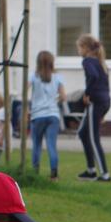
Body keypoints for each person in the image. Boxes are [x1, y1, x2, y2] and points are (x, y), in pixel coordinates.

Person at [75, 34, 111, 182]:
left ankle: (105, 174)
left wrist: (87, 94)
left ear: (84, 48)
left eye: (78, 48)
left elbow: (93, 77)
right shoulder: (99, 62)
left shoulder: (88, 61)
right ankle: (91, 170)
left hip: (96, 102)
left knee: (92, 137)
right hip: (104, 101)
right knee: (83, 133)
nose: (78, 51)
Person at [27, 51, 65, 180]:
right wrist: (54, 101)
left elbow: (24, 90)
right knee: (51, 145)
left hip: (37, 115)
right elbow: (63, 97)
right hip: (53, 115)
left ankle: (35, 171)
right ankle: (54, 173)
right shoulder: (57, 77)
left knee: (36, 145)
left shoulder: (33, 76)